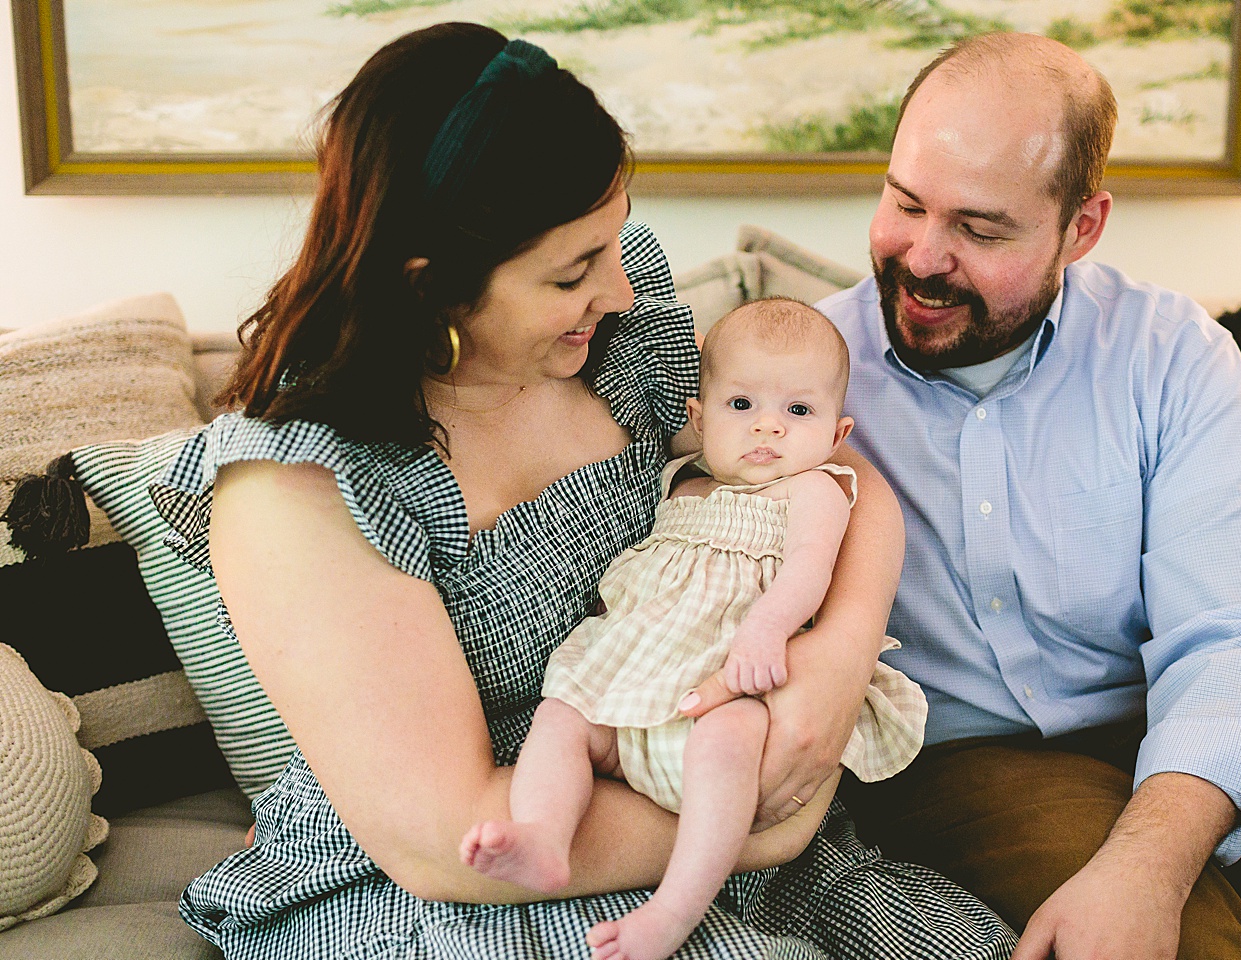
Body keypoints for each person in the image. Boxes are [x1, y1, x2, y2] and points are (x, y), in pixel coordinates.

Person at [149, 23, 1017, 960]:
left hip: (698, 768)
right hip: (487, 873)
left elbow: (835, 479)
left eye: (612, 242)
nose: (623, 291)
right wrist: (769, 821)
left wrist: (840, 665)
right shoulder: (303, 485)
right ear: (432, 288)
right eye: (573, 272)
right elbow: (449, 845)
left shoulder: (621, 338)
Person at [821, 30, 1241, 960]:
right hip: (958, 760)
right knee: (1165, 939)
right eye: (905, 204)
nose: (923, 256)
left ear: (1084, 226)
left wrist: (1154, 851)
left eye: (980, 230)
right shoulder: (802, 374)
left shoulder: (1170, 354)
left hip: (1157, 706)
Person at [460, 298, 929, 960]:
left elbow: (809, 574)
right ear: (699, 419)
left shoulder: (814, 491)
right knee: (562, 717)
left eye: (798, 412)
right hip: (636, 701)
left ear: (836, 432)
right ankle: (542, 836)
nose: (767, 428)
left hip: (731, 688)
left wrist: (767, 629)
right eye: (742, 406)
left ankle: (675, 908)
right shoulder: (680, 484)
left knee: (729, 738)